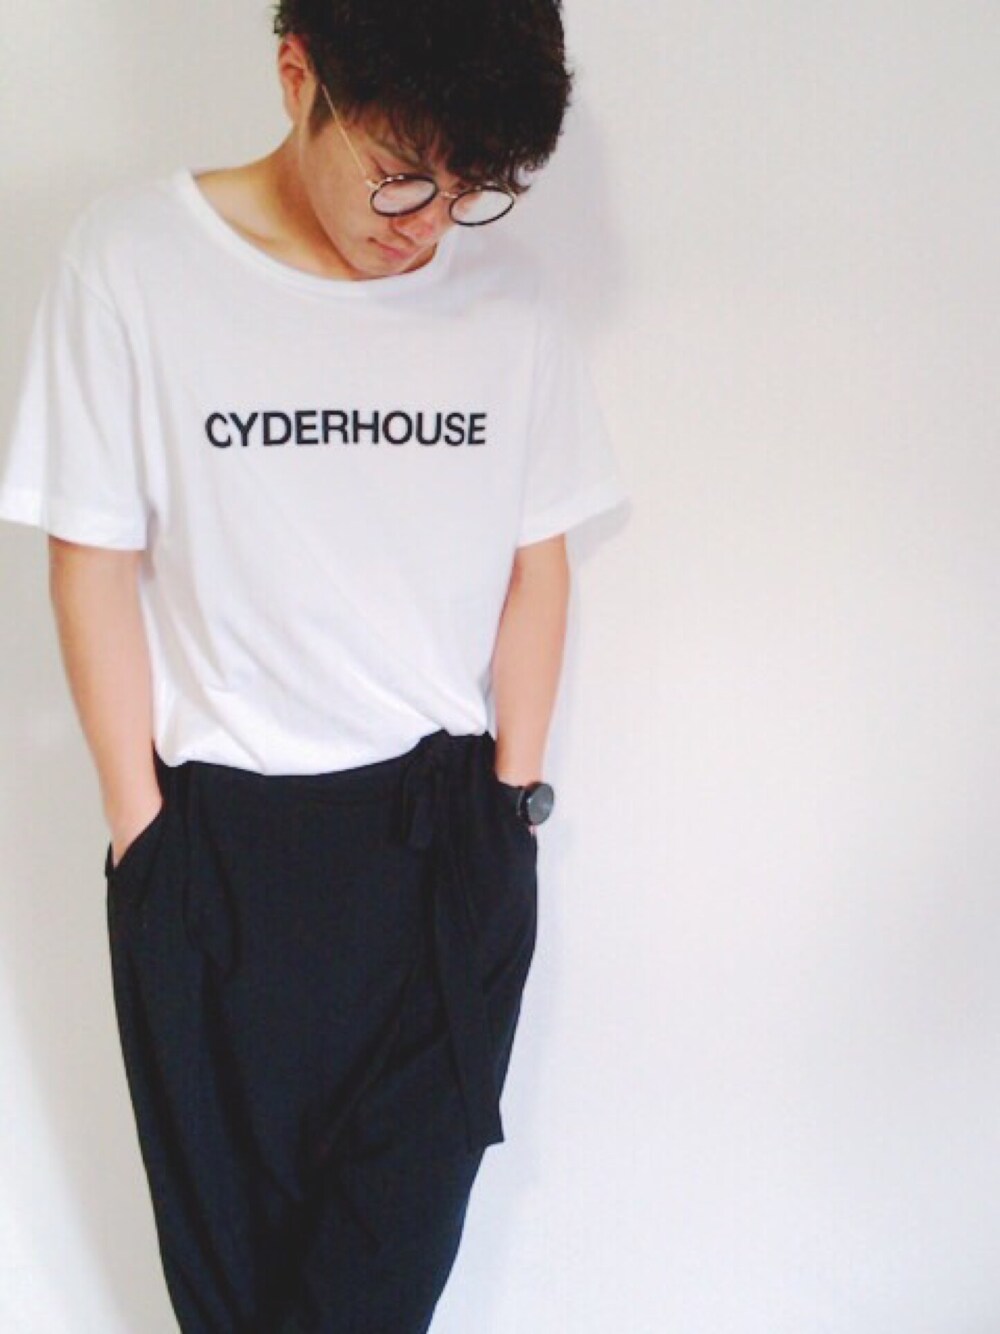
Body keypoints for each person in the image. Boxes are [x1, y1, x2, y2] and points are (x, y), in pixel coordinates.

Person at [0, 1, 630, 1329]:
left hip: (441, 847)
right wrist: (142, 832)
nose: (428, 222)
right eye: (402, 171)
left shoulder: (508, 302)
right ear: (299, 78)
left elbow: (539, 565)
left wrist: (510, 813)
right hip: (214, 857)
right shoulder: (134, 262)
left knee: (372, 1297)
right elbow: (91, 557)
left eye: (469, 187)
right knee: (232, 1299)